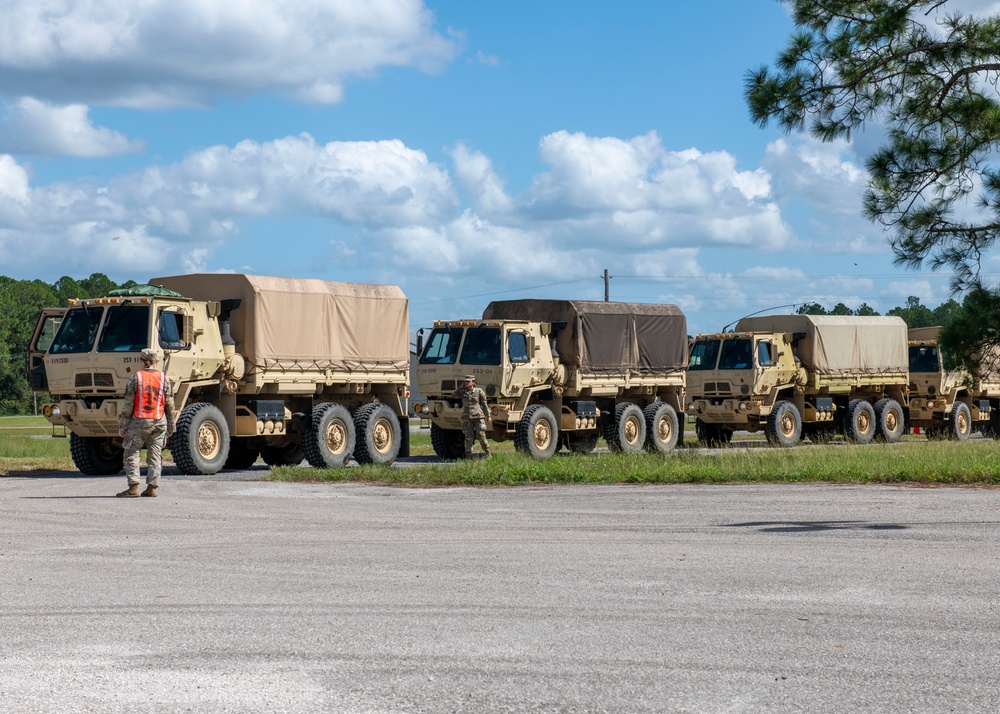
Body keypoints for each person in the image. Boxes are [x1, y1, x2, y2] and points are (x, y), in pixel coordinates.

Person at [117, 348, 177, 498]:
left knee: (131, 453)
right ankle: (152, 487)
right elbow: (170, 405)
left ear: (141, 361)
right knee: (155, 455)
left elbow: (128, 405)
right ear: (156, 361)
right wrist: (171, 425)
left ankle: (133, 487)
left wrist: (123, 426)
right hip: (159, 422)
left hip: (139, 422)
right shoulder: (164, 378)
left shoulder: (135, 378)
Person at [452, 375, 492, 458]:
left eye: (468, 381)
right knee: (468, 437)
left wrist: (488, 416)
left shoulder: (479, 391)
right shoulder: (462, 391)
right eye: (465, 381)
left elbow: (484, 404)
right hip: (467, 417)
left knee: (481, 435)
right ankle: (468, 455)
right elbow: (454, 395)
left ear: (473, 382)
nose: (466, 383)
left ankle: (488, 453)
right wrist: (460, 387)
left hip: (478, 416)